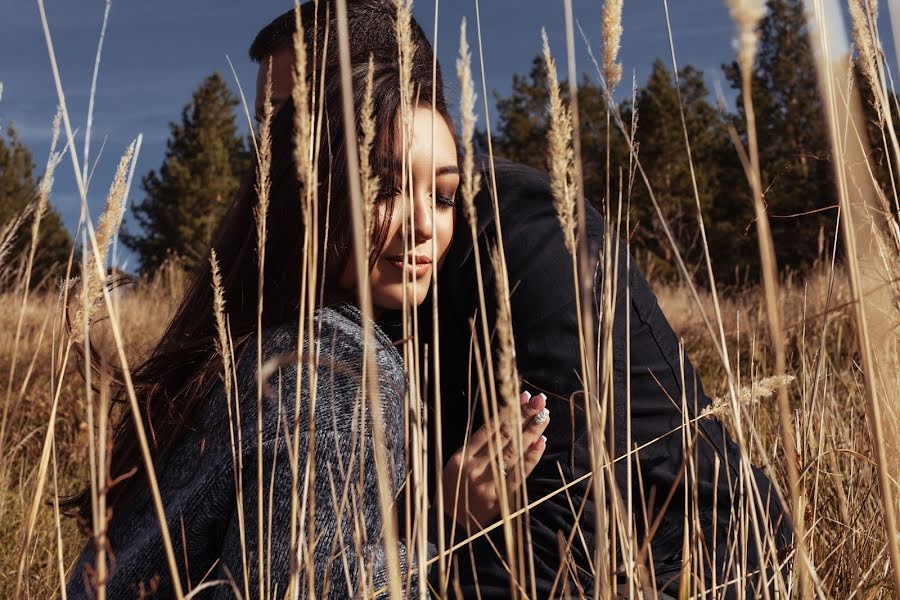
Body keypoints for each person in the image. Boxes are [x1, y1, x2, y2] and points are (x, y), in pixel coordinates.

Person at [249, 3, 792, 599]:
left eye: (293, 120)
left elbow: (563, 523)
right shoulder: (339, 269)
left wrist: (422, 526)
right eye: (265, 127)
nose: (273, 151)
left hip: (691, 565)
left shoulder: (530, 235)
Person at [63, 3, 552, 598]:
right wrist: (443, 526)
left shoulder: (263, 347)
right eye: (387, 185)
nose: (425, 224)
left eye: (444, 195)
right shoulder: (332, 365)